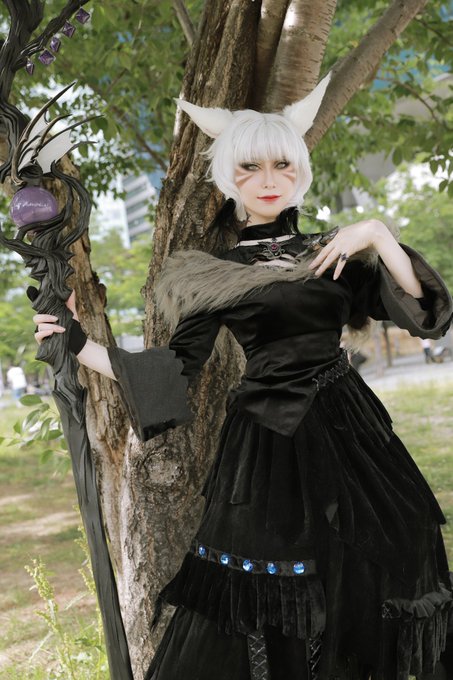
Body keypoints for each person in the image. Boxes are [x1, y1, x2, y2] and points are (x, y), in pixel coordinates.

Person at [33, 76, 453, 680]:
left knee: (398, 546)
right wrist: (75, 342)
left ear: (300, 171)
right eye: (250, 167)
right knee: (276, 590)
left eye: (282, 165)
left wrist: (376, 234)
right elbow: (171, 370)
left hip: (352, 432)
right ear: (229, 179)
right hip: (268, 445)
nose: (268, 179)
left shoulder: (333, 252)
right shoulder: (213, 273)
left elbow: (425, 315)